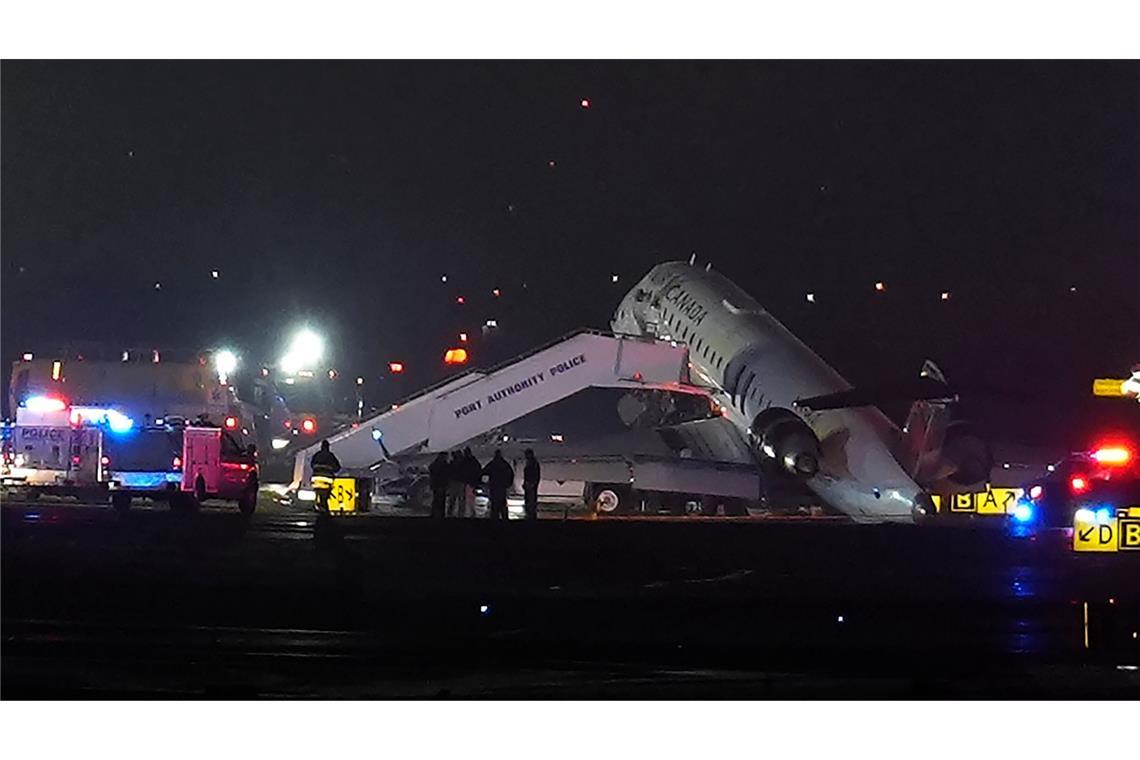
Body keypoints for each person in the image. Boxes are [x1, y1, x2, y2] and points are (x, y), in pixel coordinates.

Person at [482, 449, 515, 521]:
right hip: (502, 487)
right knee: (502, 504)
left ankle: (494, 519)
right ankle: (504, 519)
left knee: (494, 505)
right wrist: (508, 484)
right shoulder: (505, 464)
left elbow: (484, 471)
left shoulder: (493, 463)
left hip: (494, 487)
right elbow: (510, 474)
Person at [310, 440, 341, 512]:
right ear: (328, 447)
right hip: (327, 480)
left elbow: (312, 465)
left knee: (319, 494)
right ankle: (324, 510)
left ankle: (319, 506)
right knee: (325, 496)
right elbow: (337, 468)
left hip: (316, 480)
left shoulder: (316, 455)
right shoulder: (330, 456)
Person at [428, 452, 449, 519]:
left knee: (438, 499)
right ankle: (438, 514)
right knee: (439, 500)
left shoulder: (437, 464)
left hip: (438, 485)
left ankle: (436, 513)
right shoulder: (442, 465)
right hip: (440, 484)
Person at [462, 447, 482, 518]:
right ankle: (471, 513)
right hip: (471, 483)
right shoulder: (474, 461)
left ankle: (468, 513)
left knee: (466, 499)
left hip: (467, 483)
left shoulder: (465, 461)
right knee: (470, 499)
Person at [446, 451, 466, 518]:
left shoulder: (452, 464)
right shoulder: (463, 464)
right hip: (459, 482)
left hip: (454, 482)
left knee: (453, 499)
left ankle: (450, 513)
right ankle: (460, 514)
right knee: (460, 500)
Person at [523, 449, 540, 521]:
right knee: (529, 500)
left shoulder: (532, 463)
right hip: (530, 484)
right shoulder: (532, 463)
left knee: (530, 500)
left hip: (530, 484)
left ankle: (531, 516)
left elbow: (533, 475)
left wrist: (532, 483)